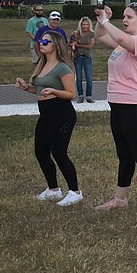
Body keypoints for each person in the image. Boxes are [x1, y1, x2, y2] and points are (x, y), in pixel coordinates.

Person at [93, 2, 137, 224]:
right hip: (118, 104)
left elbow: (122, 38)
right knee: (124, 155)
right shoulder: (122, 45)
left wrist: (106, 21)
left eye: (129, 17)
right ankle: (120, 198)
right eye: (123, 17)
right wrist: (101, 21)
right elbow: (100, 37)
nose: (124, 20)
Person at [15, 31, 82, 207]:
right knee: (41, 152)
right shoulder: (42, 64)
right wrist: (26, 88)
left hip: (62, 112)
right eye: (40, 40)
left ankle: (75, 192)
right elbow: (39, 91)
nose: (41, 43)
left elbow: (71, 94)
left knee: (59, 152)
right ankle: (53, 189)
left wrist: (54, 92)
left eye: (46, 41)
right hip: (45, 113)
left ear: (56, 45)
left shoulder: (63, 67)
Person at [70, 16, 95, 103]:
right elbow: (70, 43)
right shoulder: (76, 33)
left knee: (89, 78)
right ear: (81, 25)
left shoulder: (91, 34)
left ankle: (89, 96)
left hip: (87, 57)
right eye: (84, 24)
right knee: (79, 78)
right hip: (78, 57)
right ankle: (80, 96)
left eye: (87, 24)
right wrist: (73, 44)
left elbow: (90, 46)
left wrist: (79, 45)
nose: (85, 26)